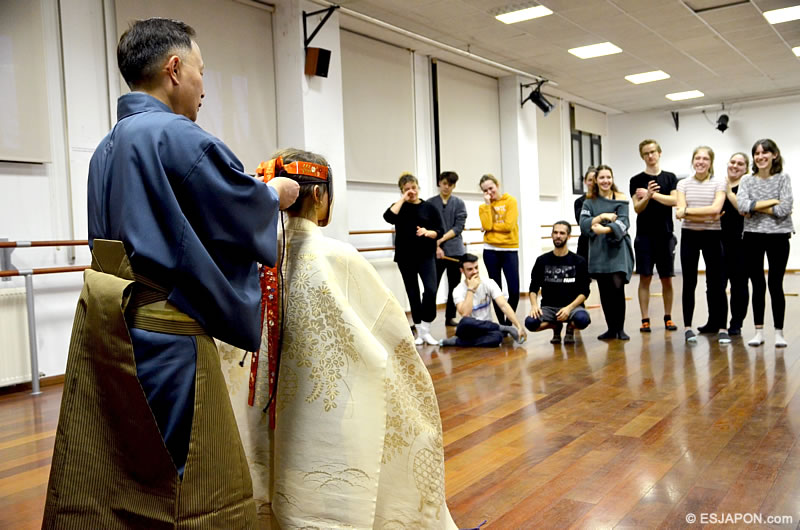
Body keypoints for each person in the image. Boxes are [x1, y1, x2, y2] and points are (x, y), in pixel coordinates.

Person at [43, 18, 299, 528]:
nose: (204, 88)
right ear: (175, 68)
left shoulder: (105, 149)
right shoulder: (176, 136)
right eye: (202, 71)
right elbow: (236, 208)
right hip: (168, 337)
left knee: (126, 467)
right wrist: (274, 195)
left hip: (112, 331)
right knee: (186, 474)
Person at [222, 149, 458, 528]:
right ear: (319, 195)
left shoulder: (253, 255)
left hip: (260, 395)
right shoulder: (338, 256)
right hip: (324, 401)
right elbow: (388, 334)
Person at [736, 139, 794, 347]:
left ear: (774, 155)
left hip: (779, 236)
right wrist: (773, 202)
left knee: (775, 284)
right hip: (753, 236)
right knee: (757, 284)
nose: (760, 157)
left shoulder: (783, 178)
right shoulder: (746, 180)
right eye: (757, 153)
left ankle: (779, 333)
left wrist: (755, 207)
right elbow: (742, 205)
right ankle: (758, 332)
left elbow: (784, 209)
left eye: (764, 153)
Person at [384, 173, 445, 345]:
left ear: (418, 187)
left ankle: (426, 328)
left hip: (426, 255)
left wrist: (428, 232)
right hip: (405, 257)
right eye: (407, 189)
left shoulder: (429, 207)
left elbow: (440, 230)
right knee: (413, 293)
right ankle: (419, 330)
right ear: (402, 191)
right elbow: (388, 217)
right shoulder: (399, 207)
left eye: (413, 187)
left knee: (431, 289)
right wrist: (403, 199)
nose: (411, 191)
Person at [675, 146, 728, 344]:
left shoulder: (719, 182)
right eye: (698, 158)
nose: (701, 162)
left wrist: (687, 212)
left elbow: (715, 209)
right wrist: (707, 215)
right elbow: (680, 211)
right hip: (689, 236)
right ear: (693, 160)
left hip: (712, 236)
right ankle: (688, 327)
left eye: (705, 159)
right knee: (689, 282)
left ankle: (722, 327)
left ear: (711, 162)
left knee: (716, 283)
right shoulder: (683, 184)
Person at [579, 164, 634, 340]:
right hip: (598, 251)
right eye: (602, 177)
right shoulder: (589, 202)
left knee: (617, 288)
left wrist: (604, 229)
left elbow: (624, 222)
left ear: (612, 179)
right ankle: (611, 329)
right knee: (605, 291)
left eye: (608, 177)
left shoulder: (621, 198)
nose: (605, 181)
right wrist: (602, 216)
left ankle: (620, 329)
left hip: (618, 250)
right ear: (596, 180)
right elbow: (584, 224)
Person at [629, 139, 679, 333]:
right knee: (645, 277)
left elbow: (674, 200)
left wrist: (652, 195)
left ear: (659, 153)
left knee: (667, 278)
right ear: (642, 156)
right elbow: (637, 208)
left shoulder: (670, 177)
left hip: (665, 235)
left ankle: (668, 317)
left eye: (652, 152)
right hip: (644, 236)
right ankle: (645, 319)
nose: (650, 156)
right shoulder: (636, 180)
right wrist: (647, 197)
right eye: (646, 153)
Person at [525, 221, 592, 345]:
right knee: (530, 323)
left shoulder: (579, 261)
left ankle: (570, 328)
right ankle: (555, 326)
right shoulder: (542, 260)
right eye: (555, 233)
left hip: (573, 307)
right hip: (548, 307)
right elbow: (533, 288)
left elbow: (585, 292)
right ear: (551, 235)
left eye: (562, 233)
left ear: (568, 236)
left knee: (582, 320)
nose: (558, 236)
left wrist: (569, 308)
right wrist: (534, 306)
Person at [439, 254, 527, 347]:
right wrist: (470, 289)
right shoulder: (458, 290)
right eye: (470, 269)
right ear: (462, 271)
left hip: (486, 328)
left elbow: (504, 305)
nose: (475, 271)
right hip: (468, 329)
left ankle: (457, 341)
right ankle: (504, 328)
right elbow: (465, 313)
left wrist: (519, 326)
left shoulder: (489, 283)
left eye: (476, 267)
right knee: (465, 321)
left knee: (498, 337)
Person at [479, 174, 520, 325]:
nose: (489, 192)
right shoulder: (483, 207)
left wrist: (490, 228)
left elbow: (508, 226)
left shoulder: (510, 201)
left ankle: (509, 321)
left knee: (514, 290)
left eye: (491, 188)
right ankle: (502, 325)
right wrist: (488, 205)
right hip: (490, 251)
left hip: (509, 249)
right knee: (496, 291)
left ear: (497, 185)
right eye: (485, 191)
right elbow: (487, 225)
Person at [429, 171, 468, 327]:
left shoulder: (459, 203)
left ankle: (450, 317)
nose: (446, 187)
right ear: (439, 183)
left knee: (454, 286)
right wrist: (436, 245)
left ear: (454, 186)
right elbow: (428, 226)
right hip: (435, 251)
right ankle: (426, 318)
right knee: (431, 286)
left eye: (450, 185)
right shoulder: (430, 203)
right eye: (444, 183)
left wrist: (441, 239)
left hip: (455, 251)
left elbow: (458, 227)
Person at [720, 152, 750, 336]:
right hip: (718, 241)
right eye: (733, 162)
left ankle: (736, 323)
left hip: (741, 242)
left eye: (740, 164)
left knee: (739, 284)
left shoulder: (748, 186)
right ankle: (715, 321)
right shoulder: (719, 185)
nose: (735, 166)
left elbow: (744, 210)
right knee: (716, 284)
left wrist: (729, 193)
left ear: (746, 168)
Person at [574, 167, 596, 263]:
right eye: (590, 180)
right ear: (585, 181)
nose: (593, 183)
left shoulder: (606, 200)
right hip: (585, 242)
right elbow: (582, 223)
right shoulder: (579, 202)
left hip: (602, 242)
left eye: (595, 180)